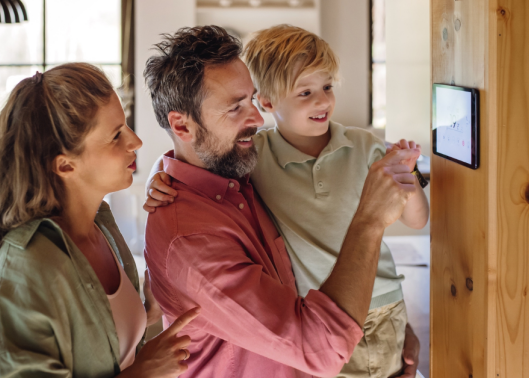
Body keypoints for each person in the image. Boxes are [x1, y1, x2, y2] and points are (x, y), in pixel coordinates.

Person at [146, 25, 428, 377]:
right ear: (182, 127)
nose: (256, 118)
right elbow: (320, 348)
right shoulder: (198, 231)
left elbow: (190, 158)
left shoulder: (236, 166)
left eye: (249, 100)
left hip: (374, 313)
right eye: (236, 108)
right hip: (325, 338)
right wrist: (370, 220)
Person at [0, 63, 199, 378]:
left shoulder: (100, 228)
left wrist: (144, 311)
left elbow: (96, 340)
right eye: (115, 136)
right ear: (65, 165)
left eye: (126, 126)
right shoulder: (27, 264)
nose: (135, 141)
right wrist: (142, 372)